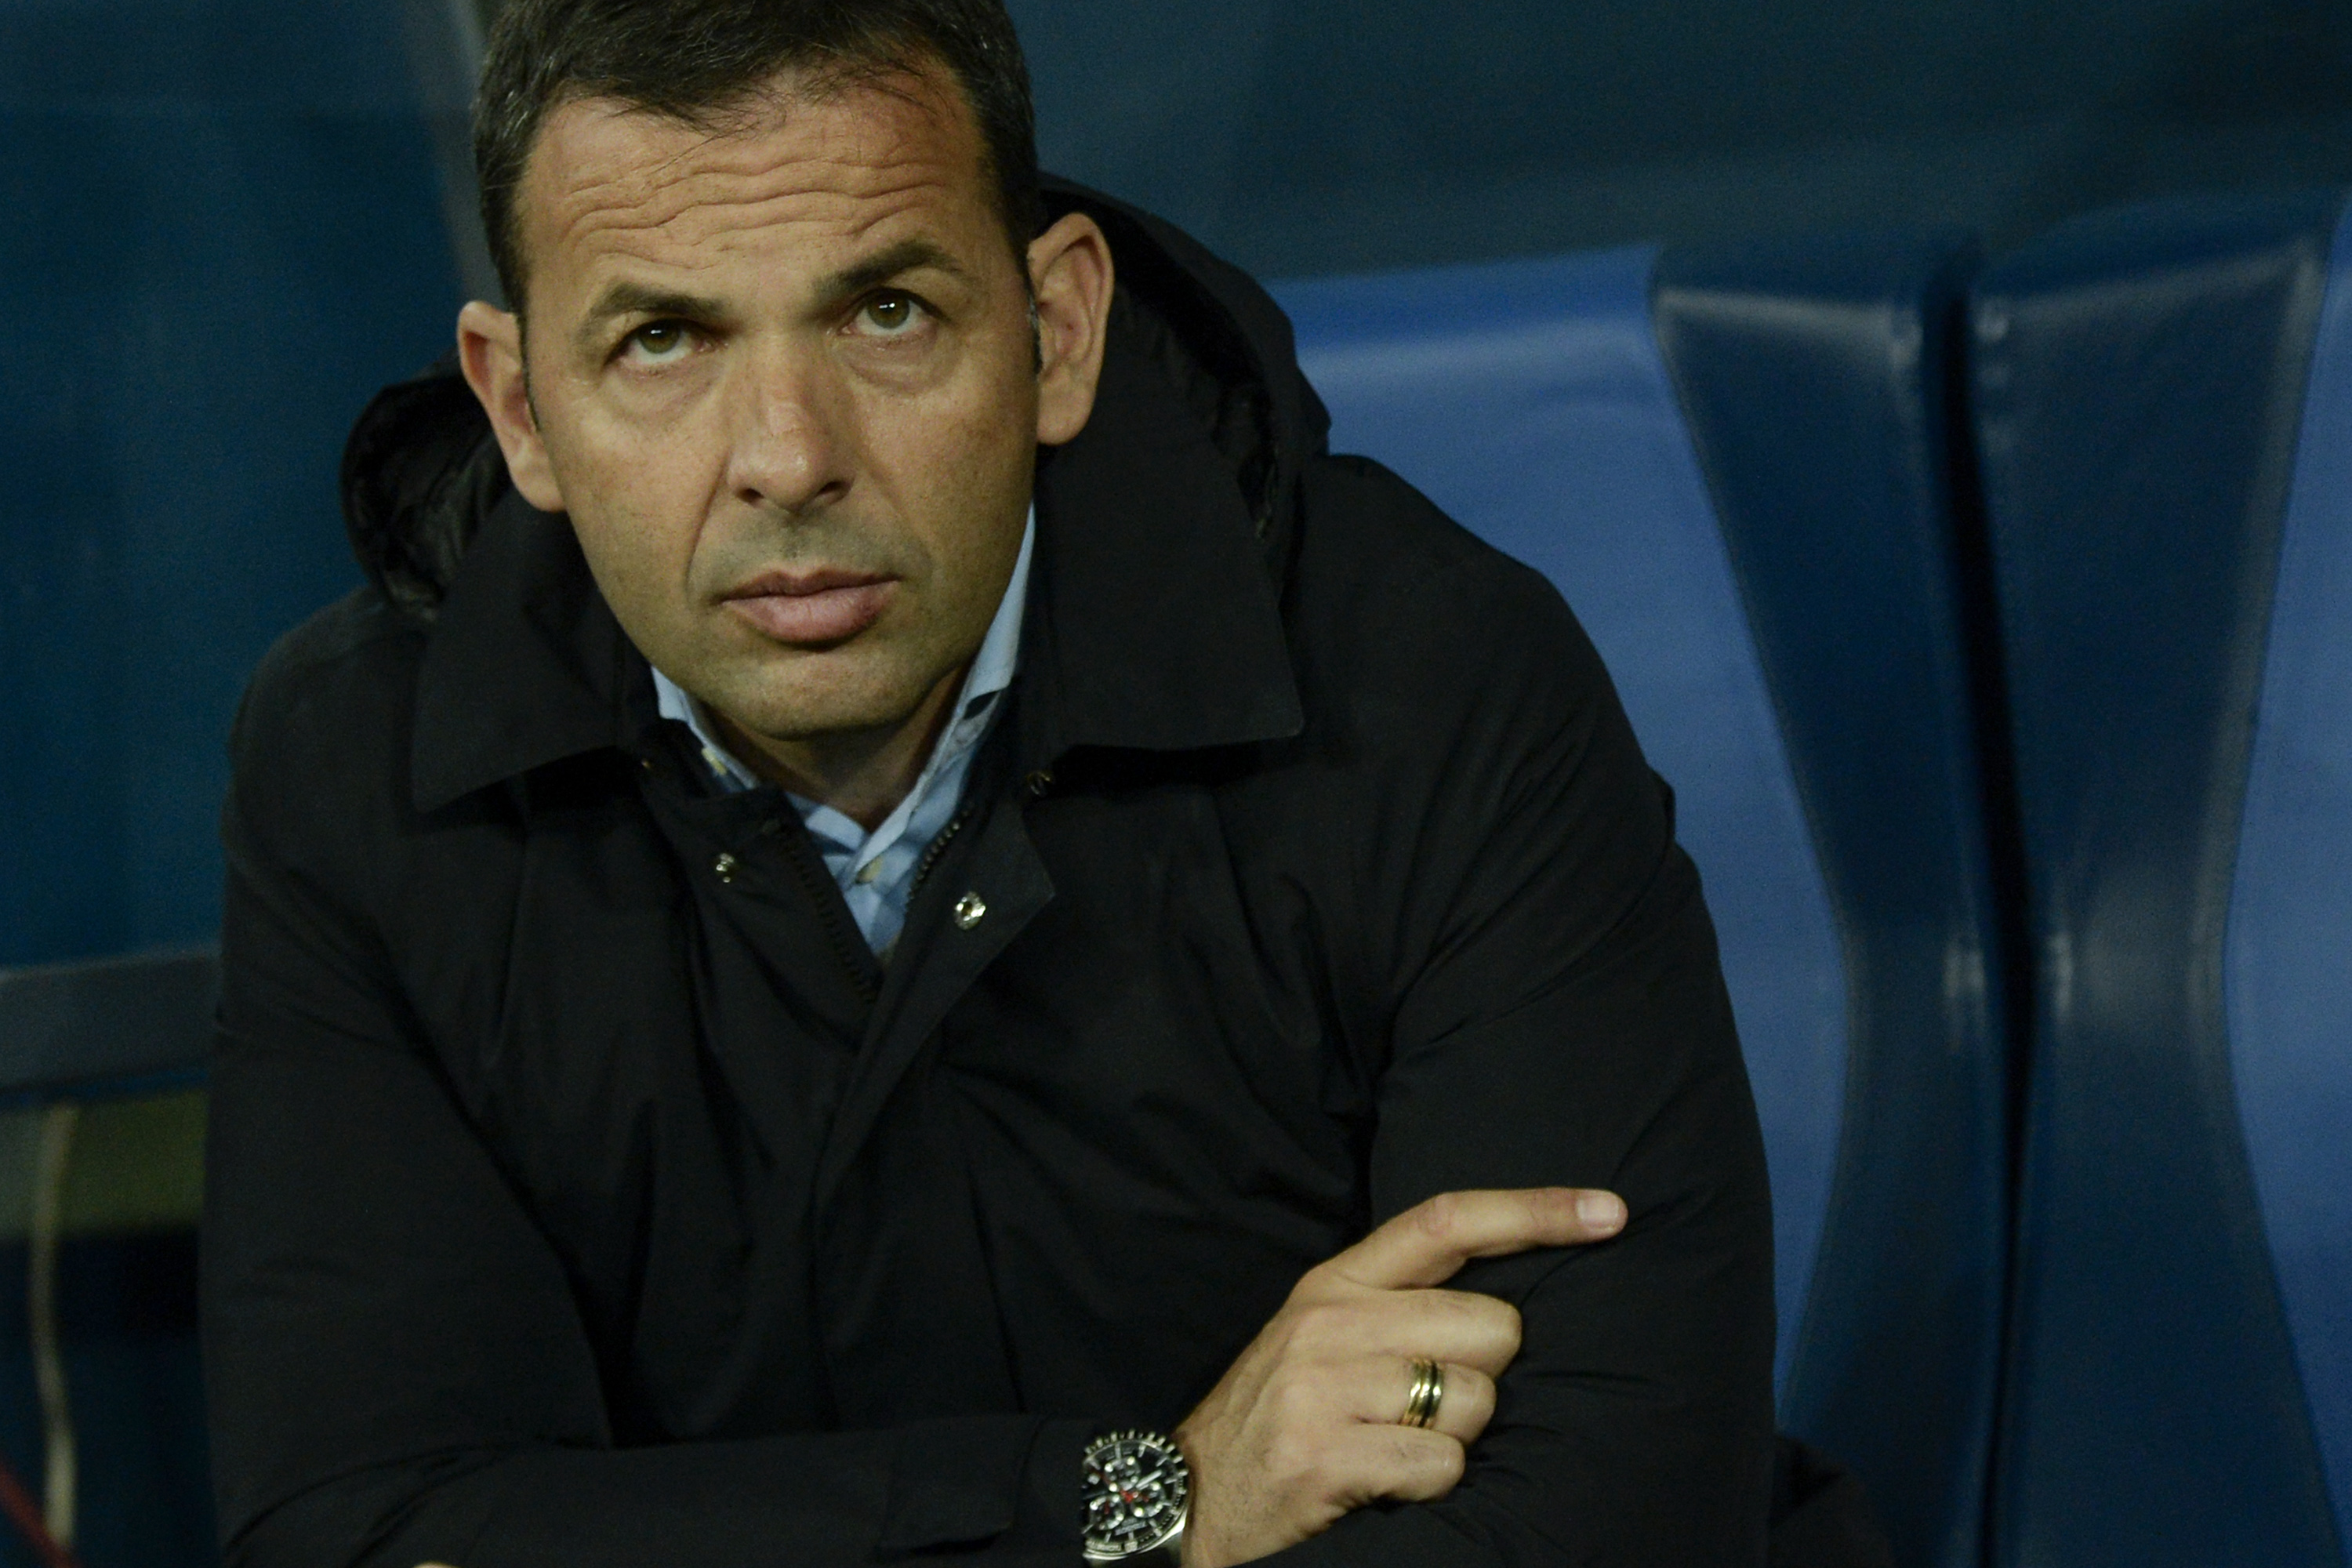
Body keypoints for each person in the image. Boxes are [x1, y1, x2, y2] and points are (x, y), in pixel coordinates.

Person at [201, 1, 1794, 1563]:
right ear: (523, 408)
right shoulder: (355, 768)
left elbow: (1601, 1511)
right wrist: (1142, 1500)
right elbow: (370, 1525)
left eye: (885, 313)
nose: (786, 455)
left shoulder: (1429, 675)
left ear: (1056, 332)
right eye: (664, 339)